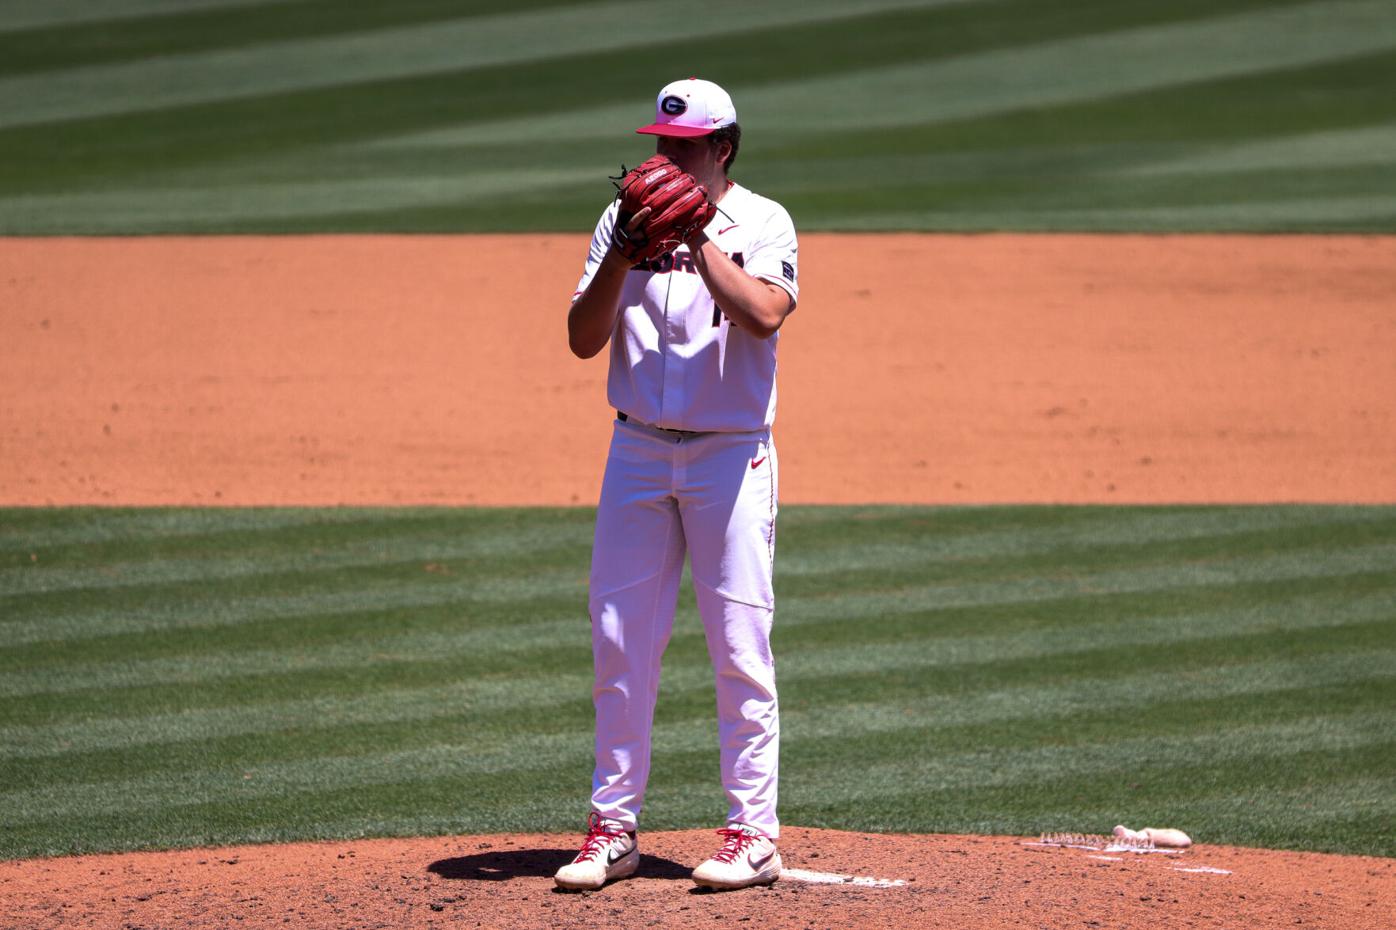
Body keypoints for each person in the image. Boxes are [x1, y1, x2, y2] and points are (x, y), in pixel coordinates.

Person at [553, 77, 799, 892]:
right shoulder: (621, 225)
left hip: (731, 458)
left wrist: (699, 242)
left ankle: (752, 834)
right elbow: (584, 341)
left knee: (739, 648)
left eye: (685, 147)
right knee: (619, 644)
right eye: (660, 145)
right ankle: (612, 829)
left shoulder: (763, 222)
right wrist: (624, 251)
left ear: (722, 148)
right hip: (637, 454)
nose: (665, 160)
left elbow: (764, 314)